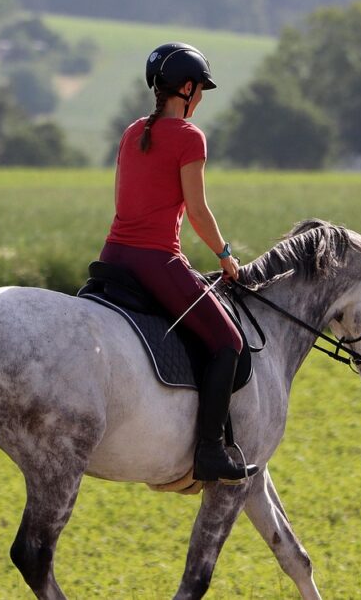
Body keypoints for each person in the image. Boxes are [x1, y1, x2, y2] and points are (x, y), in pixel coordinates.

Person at [100, 42, 259, 483]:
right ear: (186, 89)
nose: (202, 100)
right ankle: (209, 451)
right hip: (155, 263)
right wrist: (226, 257)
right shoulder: (190, 137)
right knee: (228, 342)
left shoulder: (132, 132)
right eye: (201, 91)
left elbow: (128, 204)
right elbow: (198, 211)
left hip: (113, 258)